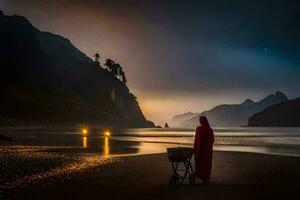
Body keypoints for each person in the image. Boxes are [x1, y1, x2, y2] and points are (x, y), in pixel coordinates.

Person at [193, 116, 214, 184]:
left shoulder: (198, 129)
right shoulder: (210, 130)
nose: (199, 121)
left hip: (200, 150)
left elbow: (196, 140)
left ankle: (200, 176)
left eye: (200, 120)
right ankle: (206, 177)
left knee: (200, 163)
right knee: (207, 163)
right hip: (208, 151)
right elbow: (212, 140)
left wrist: (194, 148)